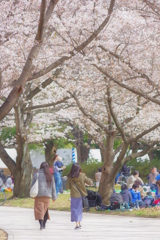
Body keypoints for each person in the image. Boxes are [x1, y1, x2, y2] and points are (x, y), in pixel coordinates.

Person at [66, 163, 93, 230]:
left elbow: (67, 187)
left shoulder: (70, 177)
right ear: (79, 169)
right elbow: (90, 182)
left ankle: (77, 224)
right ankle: (79, 223)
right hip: (81, 195)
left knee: (74, 209)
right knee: (79, 209)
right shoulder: (83, 176)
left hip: (74, 195)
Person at [31, 162, 56, 230]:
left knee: (39, 210)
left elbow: (32, 185)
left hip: (39, 195)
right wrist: (54, 197)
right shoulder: (50, 175)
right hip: (48, 196)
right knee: (45, 210)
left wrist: (33, 194)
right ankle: (44, 225)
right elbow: (53, 187)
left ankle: (41, 225)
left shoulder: (37, 174)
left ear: (41, 167)